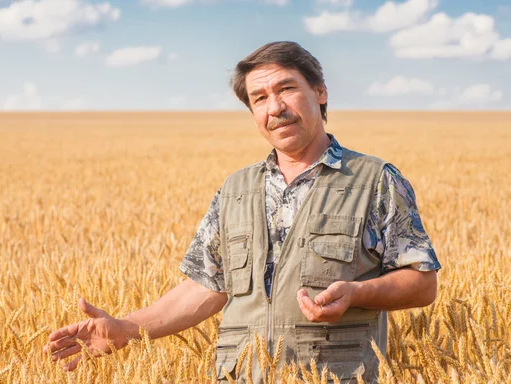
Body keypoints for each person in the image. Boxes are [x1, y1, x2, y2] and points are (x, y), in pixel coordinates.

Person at [44, 41, 441, 383]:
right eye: (260, 98)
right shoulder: (236, 190)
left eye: (287, 89)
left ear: (320, 92)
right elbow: (207, 285)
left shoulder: (374, 180)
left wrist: (357, 293)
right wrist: (126, 329)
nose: (276, 108)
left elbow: (422, 283)